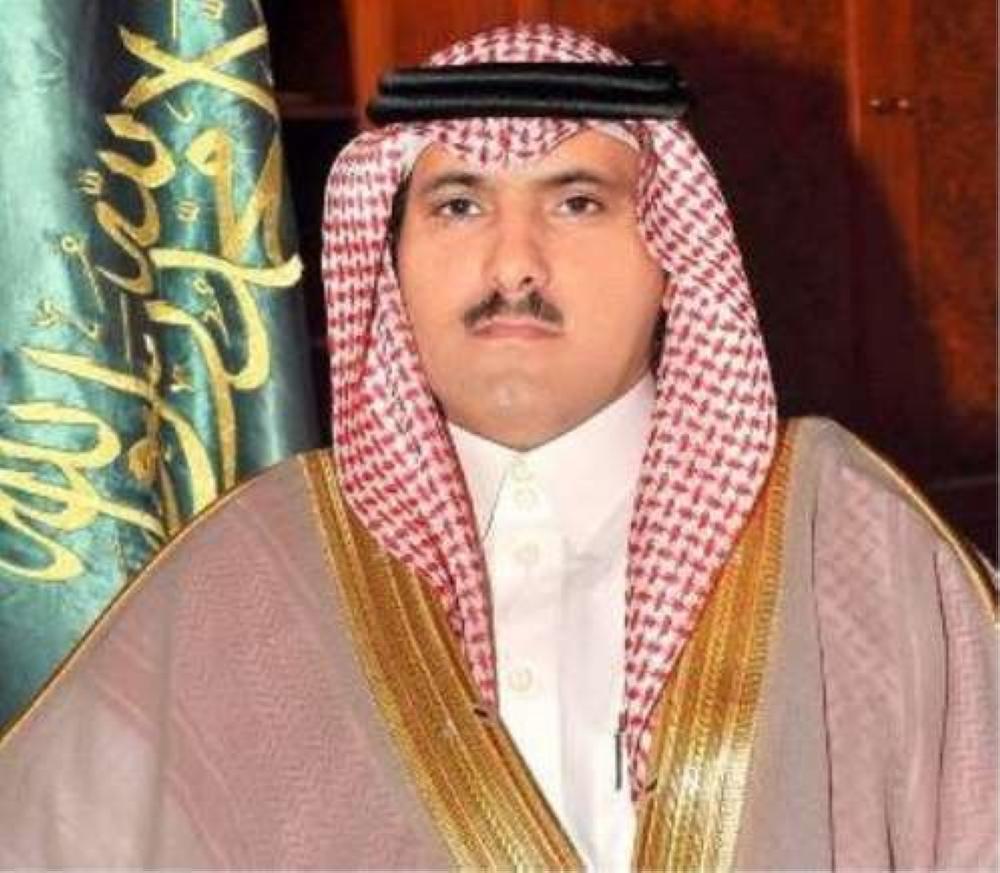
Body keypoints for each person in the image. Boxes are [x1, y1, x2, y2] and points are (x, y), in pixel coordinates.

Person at [0, 23, 995, 870]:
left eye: (576, 202)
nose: (513, 262)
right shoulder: (252, 578)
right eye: (459, 205)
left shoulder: (849, 542)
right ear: (389, 258)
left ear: (673, 256)